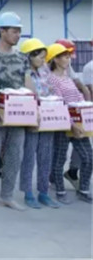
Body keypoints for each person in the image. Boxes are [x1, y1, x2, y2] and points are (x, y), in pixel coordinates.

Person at [0, 12, 35, 212]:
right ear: (2, 31)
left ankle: (7, 196)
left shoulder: (22, 57)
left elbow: (28, 83)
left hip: (19, 115)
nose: (18, 35)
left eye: (19, 31)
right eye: (14, 31)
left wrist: (34, 108)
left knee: (14, 156)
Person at [46, 43, 92, 204]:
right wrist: (72, 124)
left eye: (68, 56)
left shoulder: (67, 77)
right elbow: (60, 103)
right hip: (64, 124)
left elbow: (78, 97)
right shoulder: (51, 79)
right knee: (59, 159)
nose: (68, 59)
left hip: (78, 123)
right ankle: (60, 190)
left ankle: (84, 190)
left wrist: (86, 111)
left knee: (88, 157)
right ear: (55, 59)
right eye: (65, 57)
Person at [18, 38, 60, 209]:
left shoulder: (45, 72)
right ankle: (28, 193)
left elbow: (51, 90)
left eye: (44, 57)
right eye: (40, 57)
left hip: (48, 118)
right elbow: (30, 94)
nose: (43, 61)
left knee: (45, 156)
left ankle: (43, 192)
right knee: (29, 157)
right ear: (29, 56)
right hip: (32, 119)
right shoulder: (23, 73)